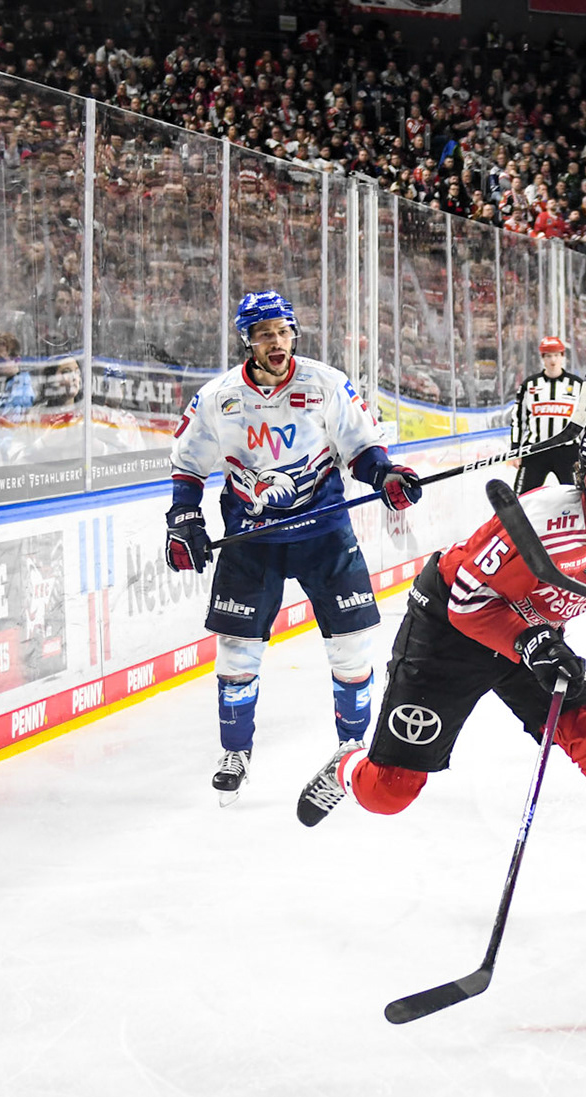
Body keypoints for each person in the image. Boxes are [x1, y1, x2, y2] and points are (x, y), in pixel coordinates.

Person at [294, 421, 586, 915]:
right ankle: (347, 764)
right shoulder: (538, 520)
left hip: (531, 638)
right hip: (449, 630)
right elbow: (468, 601)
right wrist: (530, 638)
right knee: (388, 793)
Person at [165, 291, 422, 804]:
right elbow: (188, 464)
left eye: (283, 331)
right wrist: (182, 517)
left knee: (351, 650)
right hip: (250, 539)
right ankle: (235, 752)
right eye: (264, 334)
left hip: (324, 532)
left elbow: (362, 450)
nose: (276, 342)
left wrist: (386, 476)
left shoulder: (325, 383)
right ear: (247, 341)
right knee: (237, 654)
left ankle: (351, 751)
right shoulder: (218, 396)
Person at [511, 336, 586, 493]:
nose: (553, 360)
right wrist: (515, 449)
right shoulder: (529, 385)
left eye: (557, 355)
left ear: (563, 357)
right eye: (549, 355)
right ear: (542, 358)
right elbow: (518, 420)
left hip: (568, 451)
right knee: (522, 498)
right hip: (535, 450)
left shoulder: (577, 384)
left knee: (579, 497)